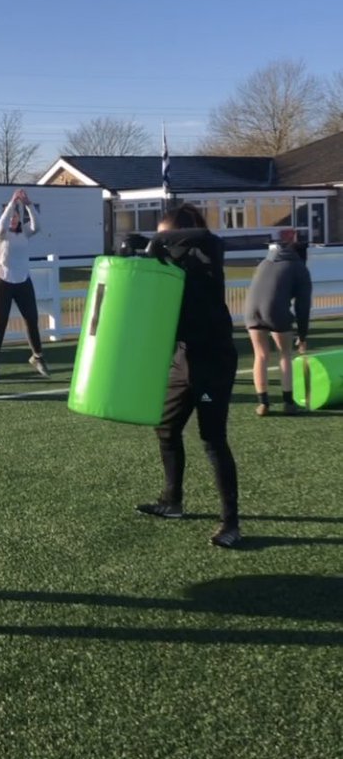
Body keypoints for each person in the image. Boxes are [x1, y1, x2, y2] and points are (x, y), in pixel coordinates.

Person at [136, 204, 241, 548]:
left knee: (212, 440)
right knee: (166, 427)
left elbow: (206, 237)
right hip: (183, 358)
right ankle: (172, 502)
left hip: (213, 361)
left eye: (167, 234)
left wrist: (158, 240)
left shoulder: (208, 254)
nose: (162, 241)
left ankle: (230, 523)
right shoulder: (170, 264)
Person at [244, 229, 312, 416]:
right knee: (285, 355)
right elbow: (302, 306)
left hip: (251, 311)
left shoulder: (265, 263)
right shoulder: (299, 268)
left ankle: (263, 403)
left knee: (261, 355)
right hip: (275, 311)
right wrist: (303, 335)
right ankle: (288, 402)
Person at [0, 188, 49, 385]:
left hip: (23, 279)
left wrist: (28, 204)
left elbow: (38, 226)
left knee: (32, 318)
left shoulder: (24, 234)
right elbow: (2, 223)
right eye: (11, 215)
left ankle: (37, 357)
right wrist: (12, 203)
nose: (14, 219)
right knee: (0, 323)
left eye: (16, 216)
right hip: (2, 280)